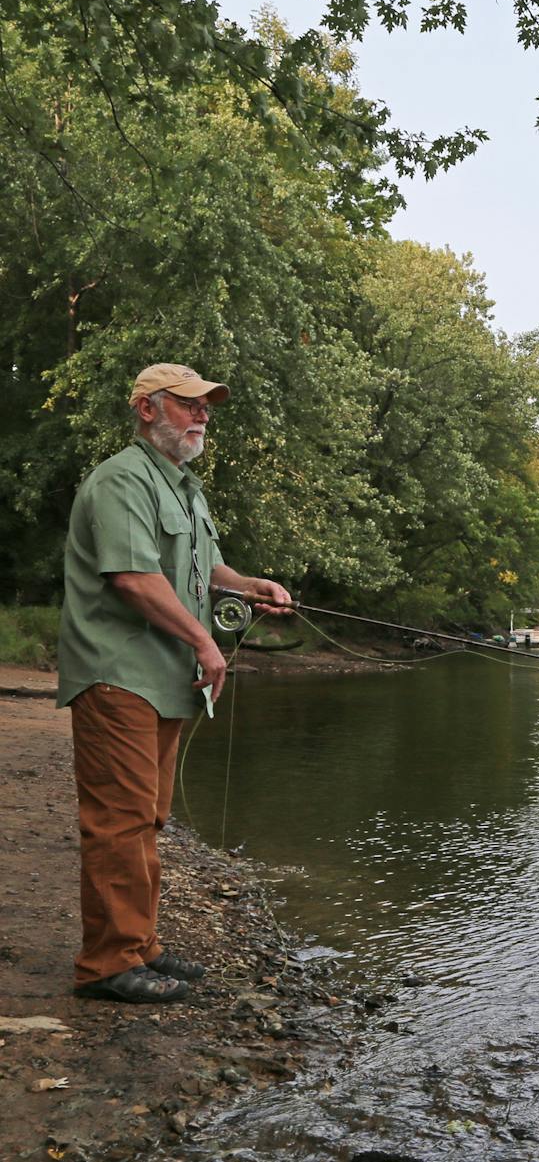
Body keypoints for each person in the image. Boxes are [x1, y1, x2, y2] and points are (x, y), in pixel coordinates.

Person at [57, 364, 292, 1003]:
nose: (202, 416)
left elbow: (201, 566)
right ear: (146, 409)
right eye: (188, 405)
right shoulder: (119, 481)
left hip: (164, 680)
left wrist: (250, 586)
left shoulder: (185, 488)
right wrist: (203, 640)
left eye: (206, 406)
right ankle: (106, 965)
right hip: (117, 675)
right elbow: (133, 578)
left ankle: (139, 946)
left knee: (148, 818)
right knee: (120, 819)